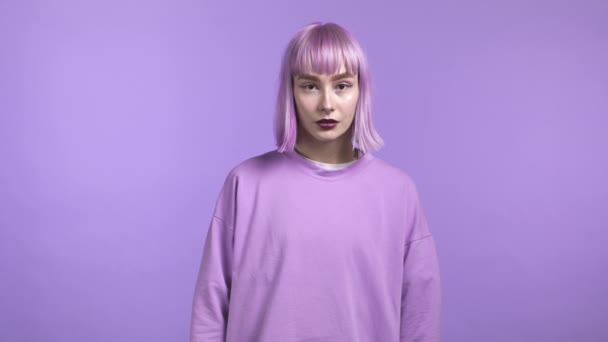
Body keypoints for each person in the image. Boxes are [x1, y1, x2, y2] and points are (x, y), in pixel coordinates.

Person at [189, 21, 442, 342]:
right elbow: (211, 306)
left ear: (360, 90)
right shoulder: (246, 183)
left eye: (342, 85)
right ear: (290, 92)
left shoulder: (397, 192)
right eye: (310, 86)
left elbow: (420, 313)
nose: (326, 103)